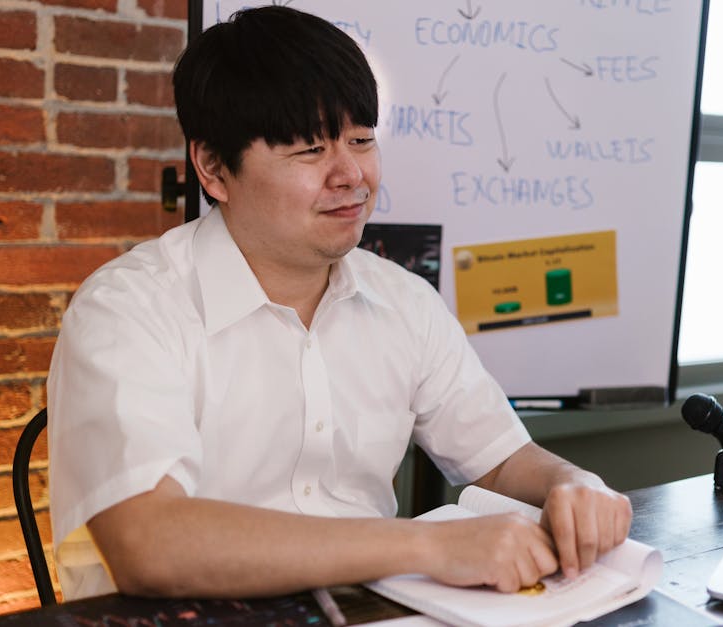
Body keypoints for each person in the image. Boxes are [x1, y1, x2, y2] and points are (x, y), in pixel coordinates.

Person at [47, 5, 632, 601]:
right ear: (214, 168)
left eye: (362, 140)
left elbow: (501, 459)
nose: (351, 174)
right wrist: (429, 547)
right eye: (309, 150)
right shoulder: (127, 309)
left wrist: (573, 483)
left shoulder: (404, 301)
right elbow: (149, 543)